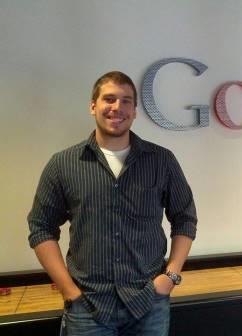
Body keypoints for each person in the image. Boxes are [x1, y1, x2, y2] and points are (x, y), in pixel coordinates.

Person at [28, 71, 197, 335]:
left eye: (126, 100)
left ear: (135, 110)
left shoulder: (161, 161)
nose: (117, 107)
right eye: (109, 99)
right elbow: (41, 228)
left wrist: (171, 277)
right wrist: (69, 291)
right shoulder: (62, 164)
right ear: (93, 106)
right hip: (88, 308)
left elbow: (185, 217)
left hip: (148, 303)